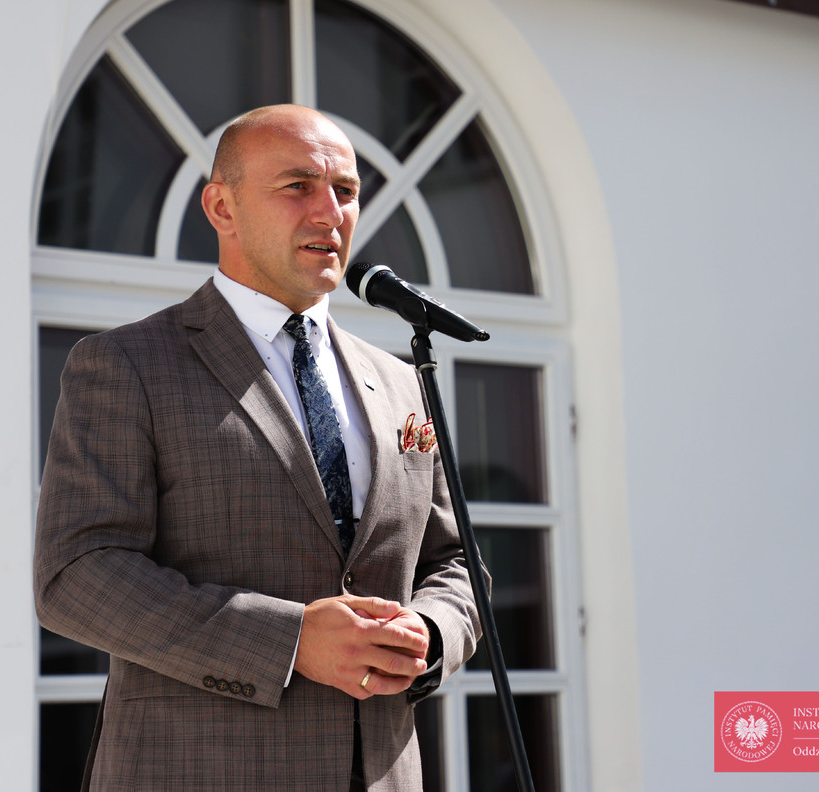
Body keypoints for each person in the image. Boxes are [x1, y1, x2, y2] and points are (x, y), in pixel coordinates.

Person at [34, 104, 483, 791]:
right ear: (222, 207)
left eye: (345, 190)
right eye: (298, 186)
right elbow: (76, 576)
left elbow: (455, 562)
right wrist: (291, 641)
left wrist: (429, 635)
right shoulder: (126, 365)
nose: (330, 212)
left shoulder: (402, 383)